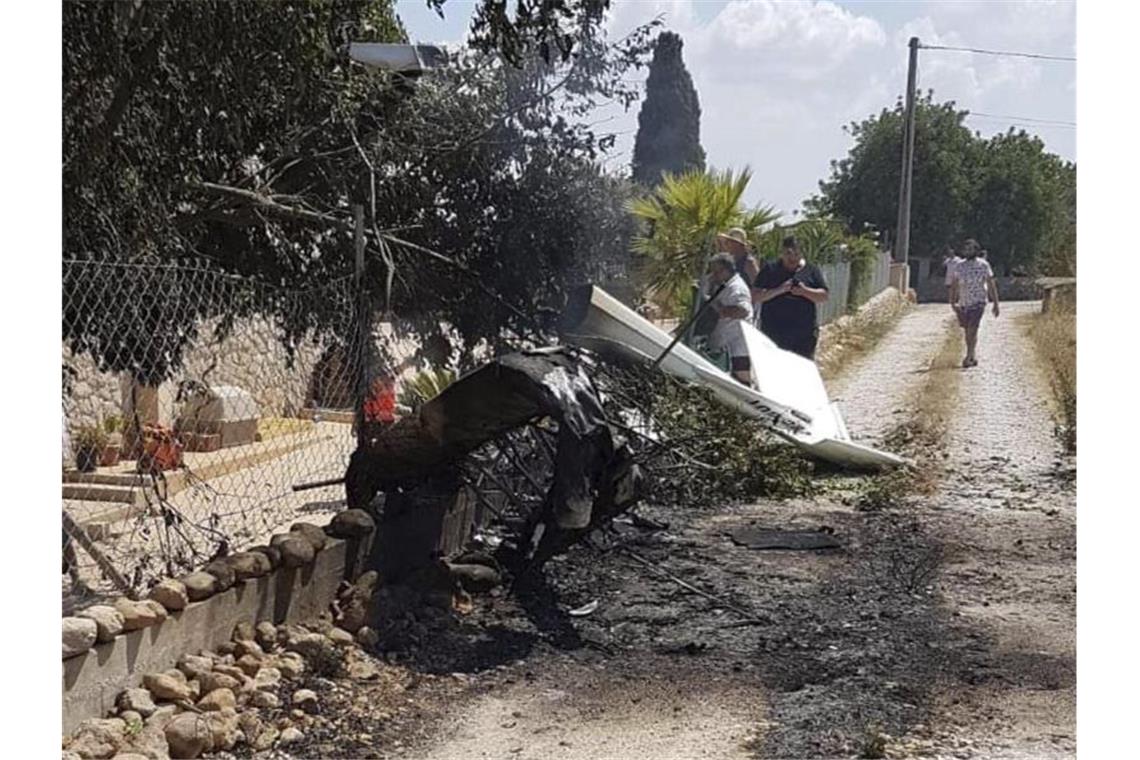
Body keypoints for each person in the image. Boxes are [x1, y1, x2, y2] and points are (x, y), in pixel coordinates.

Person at [753, 235, 829, 359]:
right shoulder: (770, 269)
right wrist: (779, 290)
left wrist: (804, 291)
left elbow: (824, 296)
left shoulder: (811, 270)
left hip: (804, 334)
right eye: (788, 253)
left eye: (797, 253)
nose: (792, 257)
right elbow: (755, 296)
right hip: (774, 333)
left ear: (802, 254)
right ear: (781, 252)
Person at [947, 238, 1000, 367]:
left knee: (973, 329)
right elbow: (954, 285)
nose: (968, 251)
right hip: (964, 303)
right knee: (967, 331)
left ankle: (968, 356)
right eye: (966, 249)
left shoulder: (983, 265)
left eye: (971, 249)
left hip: (978, 302)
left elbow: (990, 284)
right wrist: (952, 301)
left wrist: (996, 303)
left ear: (976, 250)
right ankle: (972, 355)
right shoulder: (959, 266)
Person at [705, 252, 754, 385]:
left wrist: (720, 309)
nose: (714, 274)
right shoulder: (721, 284)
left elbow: (743, 311)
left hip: (737, 346)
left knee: (741, 383)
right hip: (721, 343)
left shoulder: (737, 288)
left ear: (726, 270)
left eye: (717, 271)